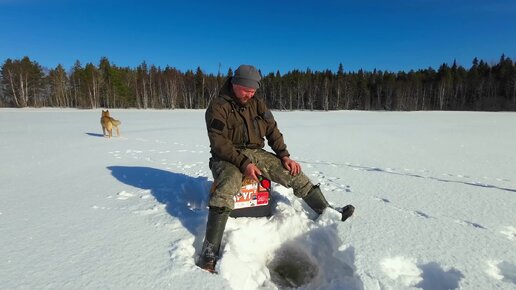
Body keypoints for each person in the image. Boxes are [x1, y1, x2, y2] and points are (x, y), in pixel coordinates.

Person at [197, 64, 355, 273]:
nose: (250, 94)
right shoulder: (218, 107)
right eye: (246, 90)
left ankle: (327, 210)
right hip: (225, 157)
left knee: (292, 172)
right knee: (229, 183)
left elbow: (272, 131)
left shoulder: (258, 104)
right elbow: (219, 144)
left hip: (256, 152)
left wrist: (284, 156)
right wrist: (245, 164)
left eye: (253, 90)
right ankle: (209, 251)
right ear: (235, 83)